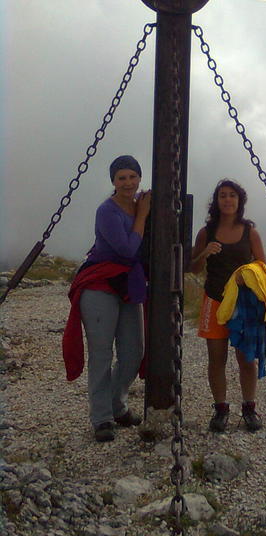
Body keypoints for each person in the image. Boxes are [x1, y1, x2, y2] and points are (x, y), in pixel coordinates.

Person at [62, 155, 151, 442]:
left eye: (132, 177)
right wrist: (141, 217)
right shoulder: (107, 211)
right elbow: (126, 250)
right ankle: (102, 418)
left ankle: (118, 405)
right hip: (100, 286)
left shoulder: (142, 205)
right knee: (101, 355)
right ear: (113, 181)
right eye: (121, 178)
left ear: (139, 178)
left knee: (133, 352)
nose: (128, 182)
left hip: (128, 286)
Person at [190, 179, 266, 432]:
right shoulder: (206, 232)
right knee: (216, 358)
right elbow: (193, 268)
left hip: (244, 303)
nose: (227, 200)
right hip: (214, 300)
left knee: (246, 358)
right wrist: (204, 253)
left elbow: (263, 268)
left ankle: (249, 408)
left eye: (232, 195)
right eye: (223, 195)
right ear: (217, 201)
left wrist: (250, 274)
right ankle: (221, 409)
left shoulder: (250, 232)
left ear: (239, 200)